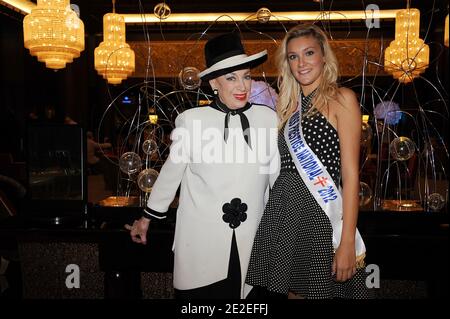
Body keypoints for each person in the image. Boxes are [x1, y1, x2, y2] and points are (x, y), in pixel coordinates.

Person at [125, 32, 279, 299]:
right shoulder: (191, 120)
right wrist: (147, 217)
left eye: (246, 76)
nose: (242, 85)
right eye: (231, 78)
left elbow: (276, 179)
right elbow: (171, 174)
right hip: (201, 244)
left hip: (254, 242)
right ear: (213, 84)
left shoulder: (267, 118)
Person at [246, 24, 371, 299]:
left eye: (309, 53)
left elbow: (350, 177)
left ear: (324, 56)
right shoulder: (286, 106)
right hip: (283, 211)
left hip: (319, 214)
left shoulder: (342, 99)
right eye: (293, 57)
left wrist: (347, 240)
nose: (301, 63)